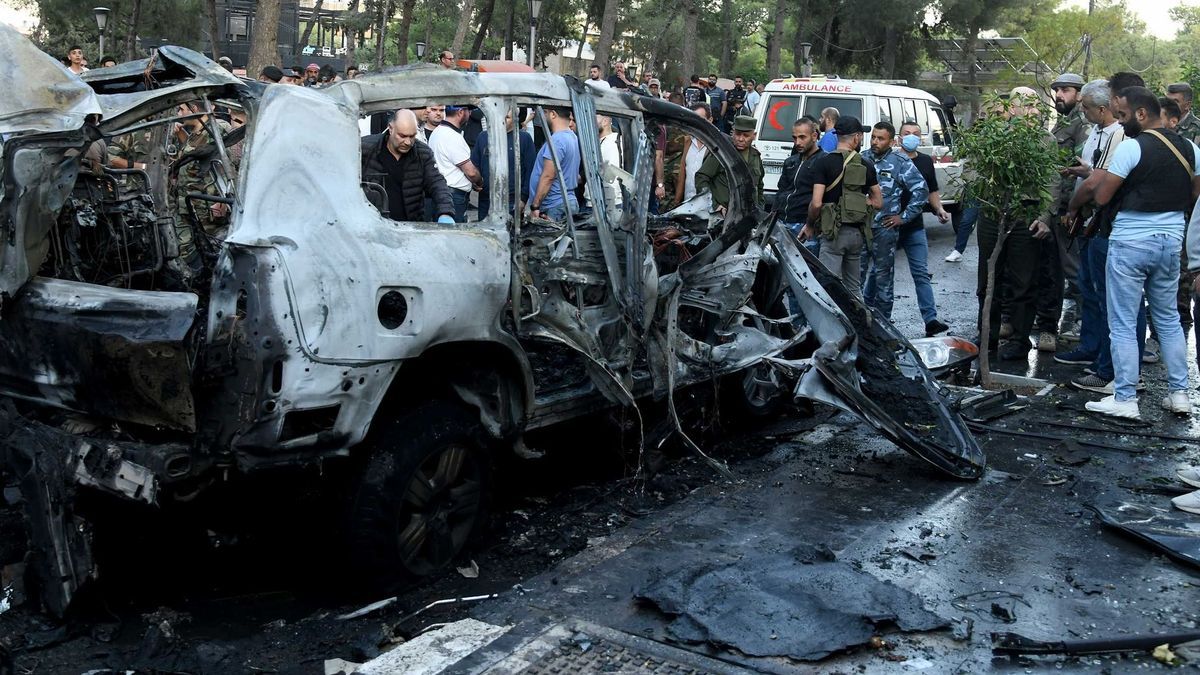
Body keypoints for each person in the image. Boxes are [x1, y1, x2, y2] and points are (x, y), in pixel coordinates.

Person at [1081, 87, 1199, 420]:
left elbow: (1102, 197)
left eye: (1122, 115)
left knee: (1121, 323)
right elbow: (1195, 192)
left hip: (1131, 243)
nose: (1120, 122)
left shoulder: (1131, 147)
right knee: (1169, 320)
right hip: (1170, 243)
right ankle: (1180, 396)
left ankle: (1125, 398)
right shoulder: (1190, 147)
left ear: (1142, 114)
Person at [977, 87, 1060, 361]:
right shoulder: (991, 136)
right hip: (992, 211)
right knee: (988, 277)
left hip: (1026, 213)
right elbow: (971, 168)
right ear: (1012, 109)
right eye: (1026, 104)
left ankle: (1019, 340)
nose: (1034, 110)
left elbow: (1051, 181)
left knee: (1024, 280)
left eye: (1036, 105)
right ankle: (986, 335)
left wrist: (1045, 216)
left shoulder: (1045, 140)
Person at [1060, 79, 1128, 395]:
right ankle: (1089, 346)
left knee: (1103, 294)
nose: (1083, 113)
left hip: (1100, 222)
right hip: (1089, 222)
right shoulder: (1097, 134)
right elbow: (1092, 174)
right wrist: (1082, 171)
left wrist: (1073, 208)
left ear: (1102, 109)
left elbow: (1097, 184)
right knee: (1087, 287)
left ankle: (1106, 362)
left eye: (1086, 108)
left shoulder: (1118, 135)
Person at [1029, 73, 1090, 354]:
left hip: (1071, 208)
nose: (1059, 95)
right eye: (1056, 90)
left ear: (1079, 94)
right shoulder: (1065, 122)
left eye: (1065, 90)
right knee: (1056, 268)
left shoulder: (1083, 124)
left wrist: (1075, 209)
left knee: (1075, 270)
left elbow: (1084, 169)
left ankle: (1082, 323)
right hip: (1060, 205)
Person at [860, 121, 929, 322]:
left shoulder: (900, 161)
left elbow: (921, 190)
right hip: (861, 227)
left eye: (880, 138)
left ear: (891, 141)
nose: (875, 141)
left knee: (883, 278)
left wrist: (903, 217)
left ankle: (883, 323)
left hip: (884, 228)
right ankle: (858, 320)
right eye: (873, 137)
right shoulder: (862, 158)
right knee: (856, 277)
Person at [801, 116, 883, 281]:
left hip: (832, 235)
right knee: (853, 287)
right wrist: (856, 203)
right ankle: (857, 308)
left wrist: (809, 225)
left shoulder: (823, 163)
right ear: (857, 137)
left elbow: (816, 203)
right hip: (857, 235)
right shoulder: (866, 164)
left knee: (830, 286)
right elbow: (878, 202)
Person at [897, 121, 951, 336]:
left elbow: (932, 191)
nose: (911, 137)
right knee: (878, 274)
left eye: (916, 134)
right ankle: (876, 317)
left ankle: (930, 320)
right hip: (889, 226)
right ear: (899, 138)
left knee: (921, 274)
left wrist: (939, 210)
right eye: (907, 133)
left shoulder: (926, 161)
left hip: (915, 227)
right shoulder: (891, 160)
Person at [361, 109, 454, 223]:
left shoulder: (422, 153)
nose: (408, 142)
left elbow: (437, 183)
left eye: (412, 136)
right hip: (373, 223)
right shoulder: (365, 149)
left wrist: (445, 212)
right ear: (390, 129)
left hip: (410, 225)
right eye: (403, 136)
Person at [470, 107, 535, 219]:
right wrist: (475, 182)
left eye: (507, 117)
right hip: (487, 199)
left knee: (510, 234)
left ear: (515, 119)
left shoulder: (524, 139)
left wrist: (523, 199)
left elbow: (530, 170)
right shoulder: (483, 137)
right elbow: (475, 164)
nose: (502, 120)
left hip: (512, 199)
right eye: (500, 117)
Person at [776, 117, 827, 253]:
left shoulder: (824, 161)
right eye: (794, 138)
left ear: (814, 136)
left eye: (802, 137)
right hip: (781, 224)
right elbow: (781, 191)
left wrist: (810, 224)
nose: (797, 142)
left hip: (804, 227)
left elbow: (821, 200)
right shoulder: (790, 162)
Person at [695, 115, 764, 212]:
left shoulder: (755, 156)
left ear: (754, 135)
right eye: (738, 134)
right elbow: (701, 177)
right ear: (733, 133)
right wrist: (714, 205)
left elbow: (759, 184)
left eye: (746, 136)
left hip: (747, 215)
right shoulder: (723, 153)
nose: (740, 139)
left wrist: (759, 206)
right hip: (724, 214)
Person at [428, 105, 484, 221]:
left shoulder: (439, 131)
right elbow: (471, 172)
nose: (469, 114)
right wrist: (479, 181)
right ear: (460, 112)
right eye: (469, 111)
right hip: (453, 197)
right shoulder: (451, 136)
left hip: (444, 193)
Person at [528, 107, 580, 221]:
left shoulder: (557, 140)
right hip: (564, 202)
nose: (543, 116)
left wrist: (535, 206)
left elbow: (548, 176)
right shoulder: (572, 137)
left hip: (554, 206)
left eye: (545, 112)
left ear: (553, 114)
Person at [674, 102, 713, 205]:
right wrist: (677, 201)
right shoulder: (688, 142)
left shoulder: (716, 146)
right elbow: (683, 173)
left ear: (710, 120)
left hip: (707, 207)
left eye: (701, 119)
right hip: (687, 203)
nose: (697, 123)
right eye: (694, 119)